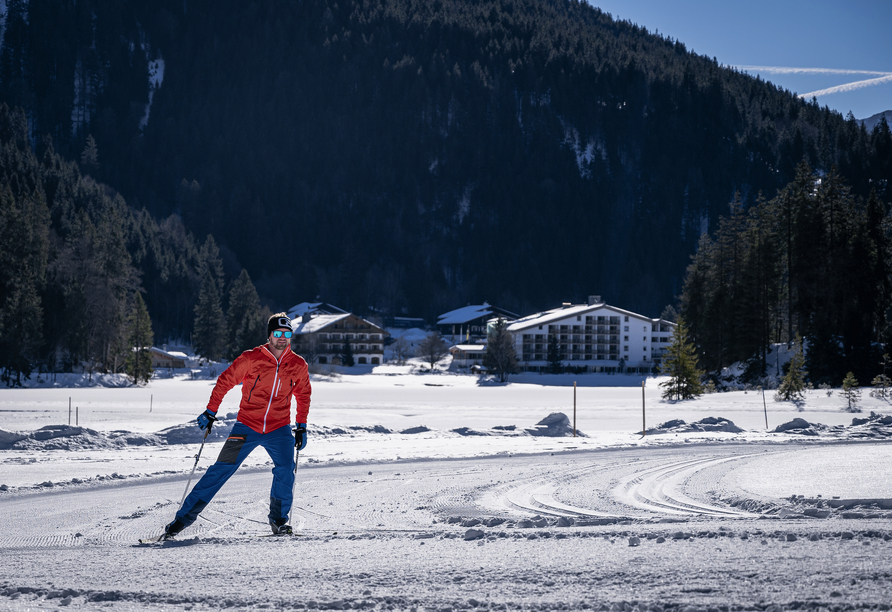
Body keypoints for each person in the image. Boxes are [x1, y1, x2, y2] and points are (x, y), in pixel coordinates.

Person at [163, 312, 311, 537]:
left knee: (285, 470)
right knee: (221, 470)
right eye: (278, 333)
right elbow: (225, 381)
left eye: (287, 334)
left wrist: (301, 425)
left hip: (278, 428)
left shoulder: (298, 364)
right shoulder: (251, 358)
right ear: (269, 336)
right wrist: (211, 410)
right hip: (246, 426)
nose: (283, 338)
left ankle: (279, 521)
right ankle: (182, 520)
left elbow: (303, 394)